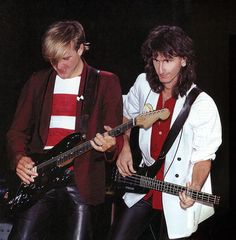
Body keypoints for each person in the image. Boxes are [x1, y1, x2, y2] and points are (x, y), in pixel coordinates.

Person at [6, 20, 123, 240]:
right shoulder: (37, 81)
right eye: (53, 60)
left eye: (66, 58)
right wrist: (20, 158)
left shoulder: (106, 82)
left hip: (81, 179)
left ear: (80, 48)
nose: (60, 66)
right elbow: (16, 132)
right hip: (40, 176)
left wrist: (111, 145)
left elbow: (114, 135)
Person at [109, 25, 222, 239]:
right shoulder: (144, 84)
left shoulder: (202, 104)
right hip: (144, 185)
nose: (161, 69)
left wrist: (195, 188)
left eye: (168, 60)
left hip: (178, 192)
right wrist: (124, 146)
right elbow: (125, 115)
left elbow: (203, 157)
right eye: (156, 59)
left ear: (184, 60)